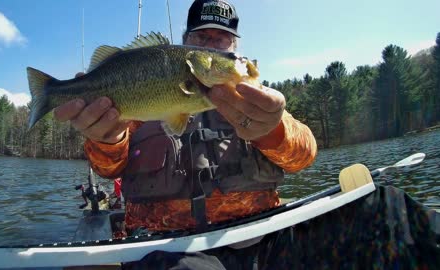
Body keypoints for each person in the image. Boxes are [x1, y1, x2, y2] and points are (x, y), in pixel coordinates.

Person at [54, 0, 317, 267]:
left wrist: (272, 131)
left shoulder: (256, 99)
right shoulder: (141, 101)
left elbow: (303, 157)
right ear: (186, 42)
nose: (211, 45)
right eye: (201, 36)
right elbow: (107, 169)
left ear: (235, 48)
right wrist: (106, 140)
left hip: (259, 236)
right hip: (165, 247)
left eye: (222, 39)